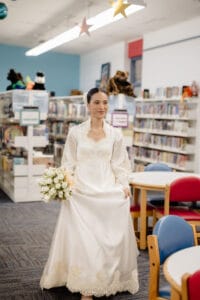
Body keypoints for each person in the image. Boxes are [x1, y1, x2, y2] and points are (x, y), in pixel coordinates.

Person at [40, 87, 139, 299]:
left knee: (104, 238)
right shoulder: (75, 132)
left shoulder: (115, 134)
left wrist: (123, 185)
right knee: (84, 239)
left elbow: (120, 164)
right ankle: (86, 285)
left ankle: (106, 278)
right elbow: (68, 162)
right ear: (88, 105)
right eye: (96, 102)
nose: (101, 107)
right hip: (81, 192)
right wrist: (66, 184)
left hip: (106, 192)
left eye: (105, 103)